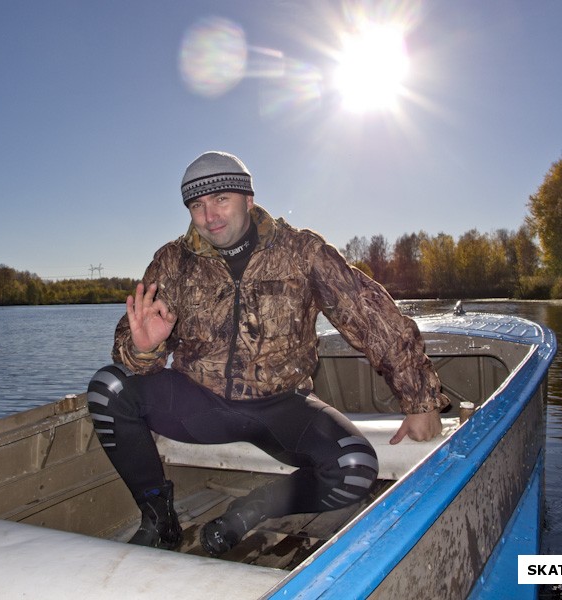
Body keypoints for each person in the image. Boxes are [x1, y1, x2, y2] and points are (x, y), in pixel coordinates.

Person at [87, 151, 450, 556]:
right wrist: (144, 348)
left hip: (282, 406)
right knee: (109, 387)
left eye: (221, 199)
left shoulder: (302, 251)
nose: (210, 216)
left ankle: (250, 510)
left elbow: (371, 317)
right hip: (198, 402)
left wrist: (420, 399)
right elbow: (129, 344)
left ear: (249, 198)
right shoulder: (173, 262)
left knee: (355, 468)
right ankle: (158, 519)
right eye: (197, 206)